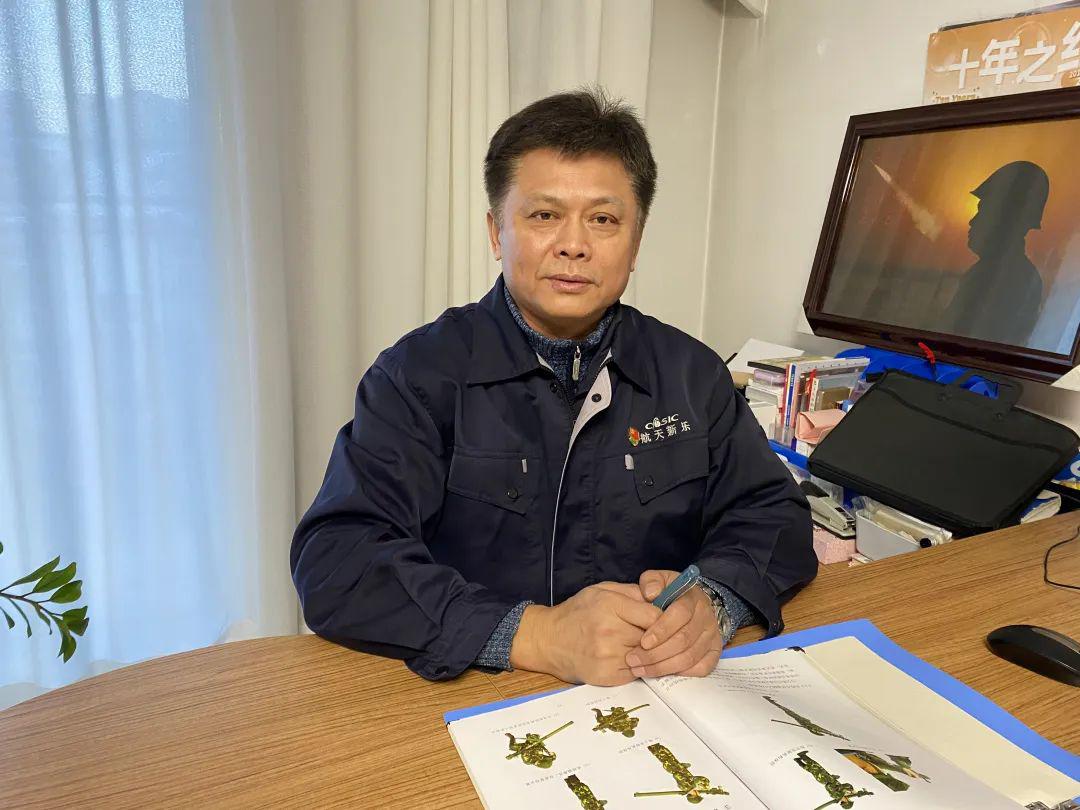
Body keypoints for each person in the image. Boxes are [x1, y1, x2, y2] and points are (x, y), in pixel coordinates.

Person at [290, 88, 815, 686]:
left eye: (604, 219)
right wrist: (535, 634)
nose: (574, 245)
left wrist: (715, 600)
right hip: (479, 693)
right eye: (544, 215)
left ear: (636, 242)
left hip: (657, 690)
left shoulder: (692, 374)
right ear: (496, 233)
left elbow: (774, 515)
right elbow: (338, 560)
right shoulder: (418, 376)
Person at [940, 160, 1049, 346]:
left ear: (1006, 221)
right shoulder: (993, 272)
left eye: (983, 212)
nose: (972, 221)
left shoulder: (1009, 279)